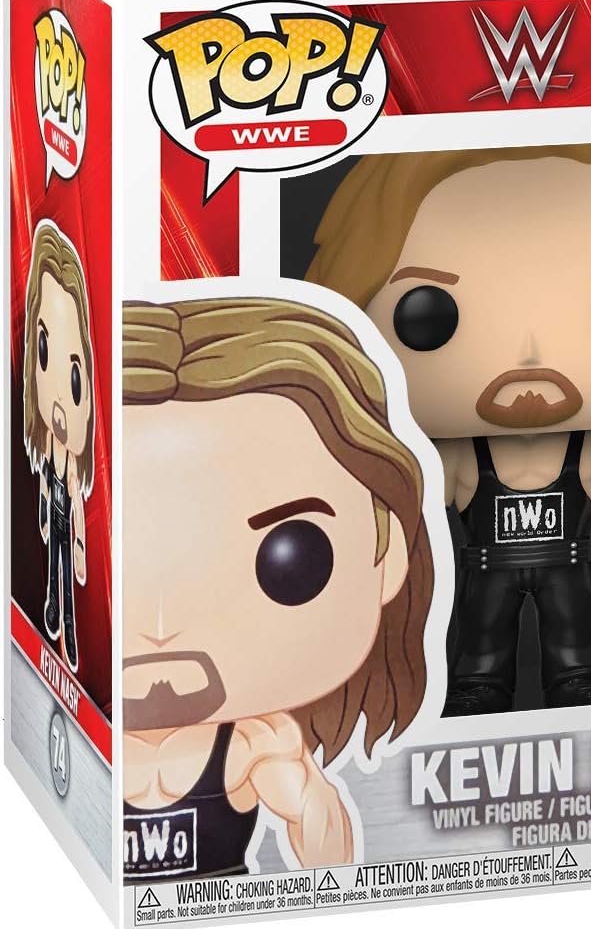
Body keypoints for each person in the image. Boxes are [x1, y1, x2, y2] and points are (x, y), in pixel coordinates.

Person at [306, 140, 591, 715]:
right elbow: (414, 512)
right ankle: (476, 688)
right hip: (485, 571)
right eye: (429, 318)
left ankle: (577, 681)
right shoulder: (461, 456)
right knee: (481, 638)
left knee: (573, 635)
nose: (529, 354)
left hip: (569, 565)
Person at [122, 296, 433, 880]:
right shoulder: (79, 737)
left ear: (386, 548)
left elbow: (327, 851)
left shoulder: (251, 747)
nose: (164, 628)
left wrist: (311, 811)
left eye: (289, 559)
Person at [23, 221, 95, 674]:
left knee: (65, 568)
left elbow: (78, 513)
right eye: (43, 351)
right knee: (54, 566)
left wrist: (81, 547)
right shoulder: (50, 445)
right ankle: (56, 607)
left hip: (67, 515)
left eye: (74, 378)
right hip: (54, 512)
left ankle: (65, 615)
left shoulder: (71, 460)